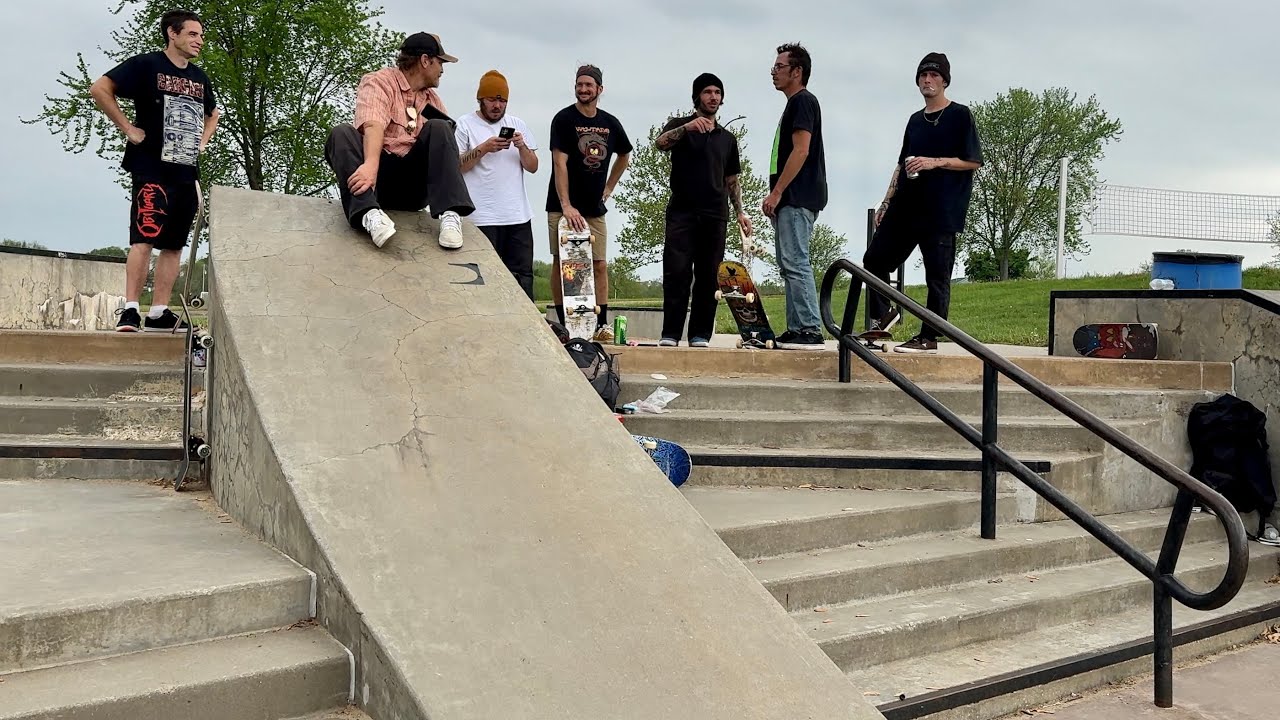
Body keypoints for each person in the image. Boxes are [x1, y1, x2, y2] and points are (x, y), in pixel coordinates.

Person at [91, 9, 220, 333]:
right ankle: (131, 309)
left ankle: (159, 311)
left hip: (185, 171)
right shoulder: (146, 65)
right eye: (192, 34)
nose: (199, 40)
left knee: (174, 244)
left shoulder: (199, 78)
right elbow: (100, 89)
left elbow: (213, 113)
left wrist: (201, 143)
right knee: (144, 236)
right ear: (172, 34)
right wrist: (127, 128)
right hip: (151, 165)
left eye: (201, 35)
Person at [865, 52, 983, 354]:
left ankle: (929, 337)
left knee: (937, 276)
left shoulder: (960, 115)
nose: (927, 80)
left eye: (933, 75)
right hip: (906, 206)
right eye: (922, 76)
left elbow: (972, 162)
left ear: (944, 80)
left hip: (940, 210)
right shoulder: (915, 121)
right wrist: (886, 202)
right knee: (874, 260)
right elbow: (900, 163)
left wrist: (935, 162)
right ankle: (886, 313)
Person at [324, 32, 474, 249]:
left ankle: (450, 216)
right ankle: (369, 214)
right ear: (425, 60)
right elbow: (373, 124)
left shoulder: (434, 101)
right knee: (341, 133)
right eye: (440, 62)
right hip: (376, 182)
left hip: (413, 187)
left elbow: (442, 151)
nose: (442, 70)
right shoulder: (380, 82)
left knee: (441, 127)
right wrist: (370, 165)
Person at [653, 73, 750, 347]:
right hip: (682, 211)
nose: (713, 97)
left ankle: (700, 334)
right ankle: (670, 333)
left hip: (715, 214)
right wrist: (687, 129)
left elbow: (732, 179)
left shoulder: (727, 139)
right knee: (676, 271)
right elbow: (659, 144)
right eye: (708, 92)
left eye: (718, 92)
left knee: (708, 275)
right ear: (697, 96)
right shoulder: (680, 127)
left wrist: (740, 212)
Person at [546, 64, 632, 343]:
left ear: (599, 90)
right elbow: (559, 163)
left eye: (589, 85)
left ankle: (601, 324)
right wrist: (566, 205)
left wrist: (608, 188)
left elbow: (624, 155)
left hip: (594, 208)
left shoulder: (610, 122)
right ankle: (563, 324)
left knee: (599, 264)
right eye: (579, 85)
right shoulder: (563, 119)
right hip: (563, 206)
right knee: (563, 264)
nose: (584, 89)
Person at [764, 42, 827, 350]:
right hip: (790, 199)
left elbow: (801, 150)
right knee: (787, 262)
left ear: (797, 72)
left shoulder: (803, 101)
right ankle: (796, 327)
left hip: (797, 197)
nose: (774, 72)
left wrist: (777, 193)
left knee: (796, 260)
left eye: (779, 67)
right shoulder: (793, 104)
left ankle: (810, 328)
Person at [454, 70, 539, 300]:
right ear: (480, 99)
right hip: (480, 218)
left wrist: (522, 147)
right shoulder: (464, 125)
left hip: (517, 216)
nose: (496, 106)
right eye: (492, 99)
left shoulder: (517, 124)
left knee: (522, 278)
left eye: (502, 101)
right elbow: (457, 167)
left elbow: (533, 166)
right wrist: (483, 148)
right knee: (481, 281)